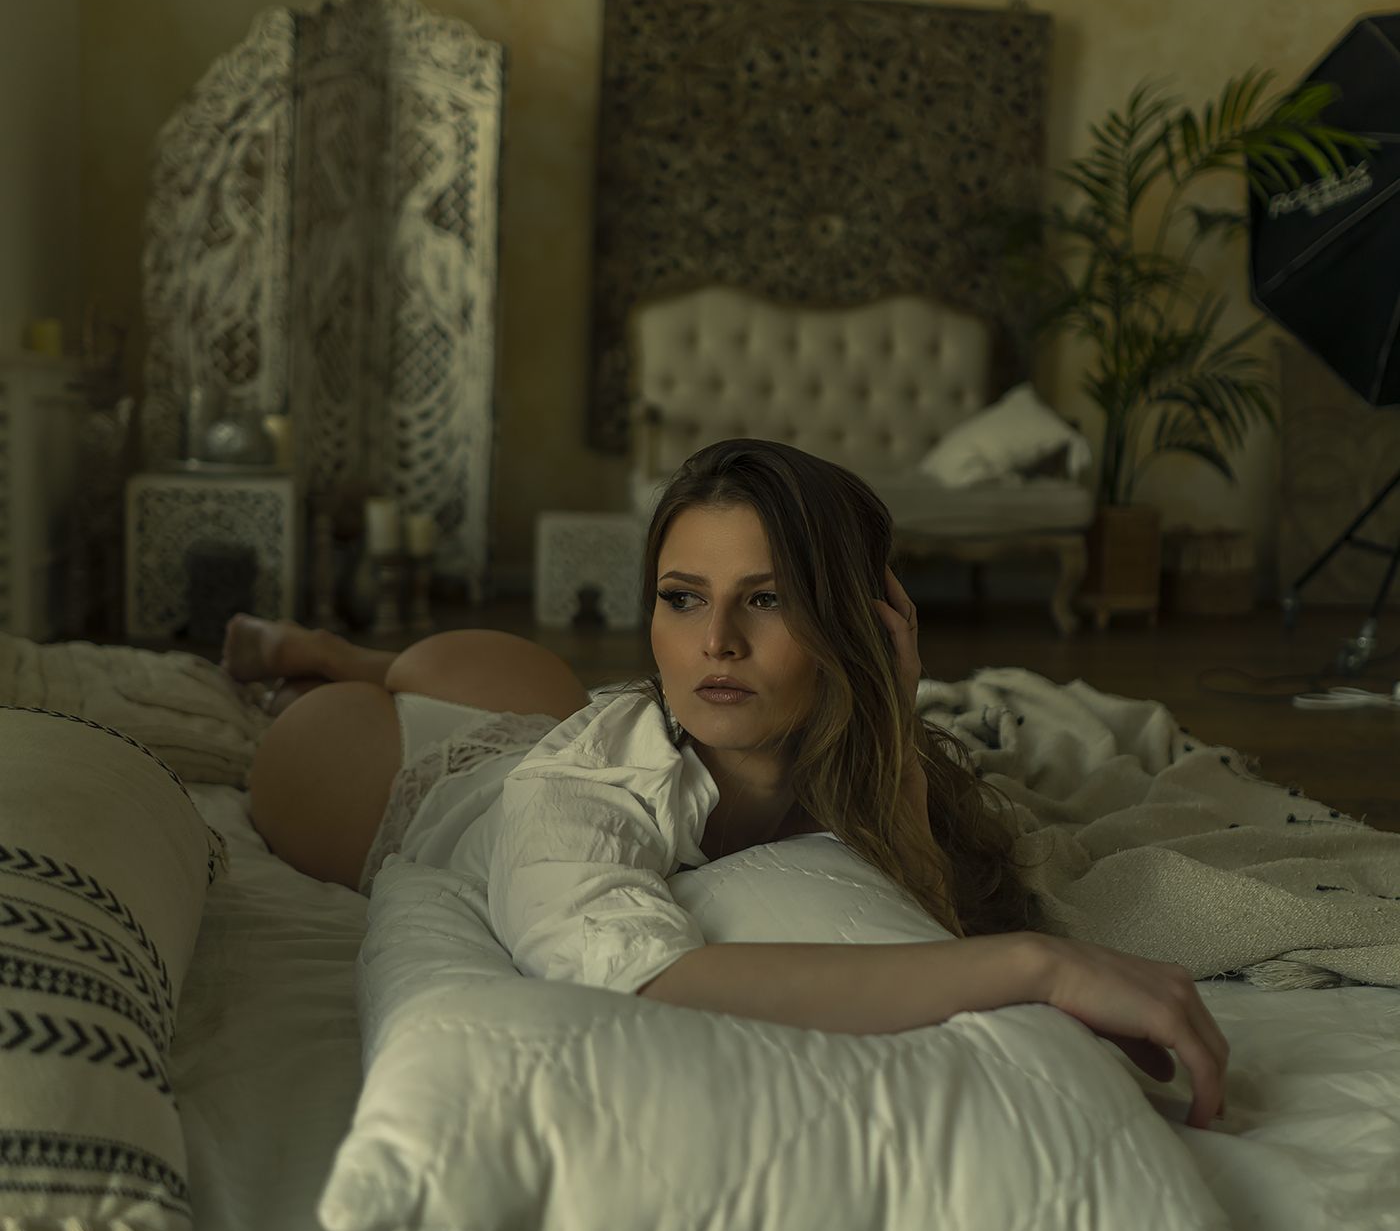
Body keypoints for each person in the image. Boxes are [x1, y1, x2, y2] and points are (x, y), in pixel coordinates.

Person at [228, 438, 1229, 1127]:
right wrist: (1041, 967)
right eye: (681, 598)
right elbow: (648, 980)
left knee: (523, 683)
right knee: (342, 700)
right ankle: (320, 661)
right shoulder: (574, 794)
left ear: (855, 622)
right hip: (382, 773)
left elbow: (923, 910)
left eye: (766, 599)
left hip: (538, 707)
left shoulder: (850, 743)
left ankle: (351, 655)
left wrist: (891, 708)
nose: (714, 641)